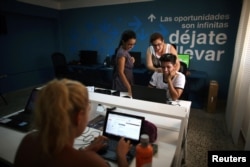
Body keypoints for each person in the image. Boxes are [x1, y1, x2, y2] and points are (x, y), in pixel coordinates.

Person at [14, 79, 131, 167]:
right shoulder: (91, 161)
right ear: (78, 117)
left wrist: (87, 150)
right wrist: (121, 155)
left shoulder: (28, 140)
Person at [112, 30, 136, 96]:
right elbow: (121, 72)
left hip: (126, 82)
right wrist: (129, 87)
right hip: (122, 84)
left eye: (133, 44)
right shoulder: (122, 54)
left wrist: (131, 59)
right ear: (123, 42)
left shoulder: (125, 50)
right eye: (130, 44)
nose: (132, 46)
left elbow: (125, 62)